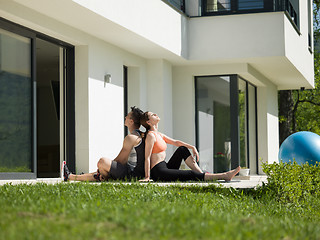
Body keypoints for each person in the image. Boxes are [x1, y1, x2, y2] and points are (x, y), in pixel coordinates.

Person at [139, 111, 240, 182]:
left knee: (182, 149)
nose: (156, 114)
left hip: (165, 166)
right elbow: (147, 157)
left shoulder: (159, 134)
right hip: (158, 172)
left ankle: (202, 174)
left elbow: (176, 142)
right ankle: (224, 176)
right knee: (190, 174)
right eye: (152, 115)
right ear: (148, 122)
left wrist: (192, 147)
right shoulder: (150, 136)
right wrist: (147, 177)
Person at [62, 106, 145, 182]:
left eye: (127, 116)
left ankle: (99, 176)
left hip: (132, 174)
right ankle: (70, 176)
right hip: (133, 172)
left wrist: (104, 169)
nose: (125, 117)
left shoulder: (131, 137)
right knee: (102, 168)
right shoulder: (139, 135)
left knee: (102, 162)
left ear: (131, 121)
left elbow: (121, 161)